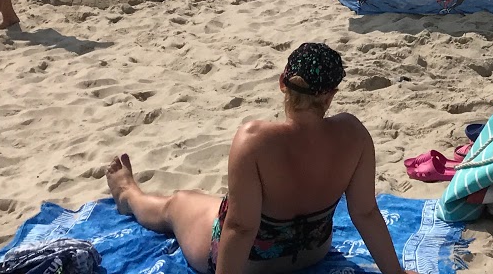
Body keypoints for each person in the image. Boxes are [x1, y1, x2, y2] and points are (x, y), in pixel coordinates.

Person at [107, 43, 415, 274]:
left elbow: (240, 228)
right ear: (331, 94)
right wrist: (396, 273)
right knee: (219, 203)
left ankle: (128, 195)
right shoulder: (354, 133)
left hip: (251, 265)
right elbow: (365, 213)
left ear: (282, 82)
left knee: (180, 202)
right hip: (312, 253)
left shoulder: (255, 141)